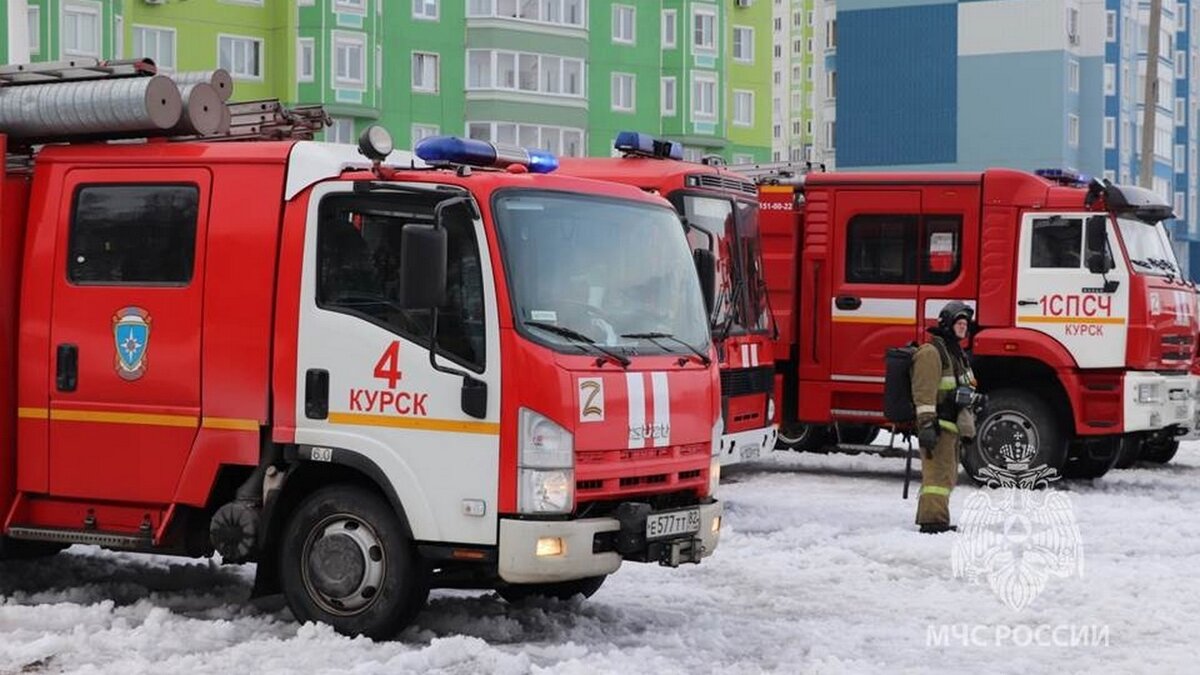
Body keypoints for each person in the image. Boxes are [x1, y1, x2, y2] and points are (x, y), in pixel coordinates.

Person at [912, 301, 979, 534]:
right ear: (947, 324)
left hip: (951, 427)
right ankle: (932, 522)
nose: (963, 327)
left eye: (965, 324)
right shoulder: (931, 353)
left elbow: (965, 386)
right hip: (938, 426)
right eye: (959, 323)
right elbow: (924, 393)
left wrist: (975, 400)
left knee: (946, 476)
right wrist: (926, 426)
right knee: (936, 479)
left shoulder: (956, 354)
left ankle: (937, 518)